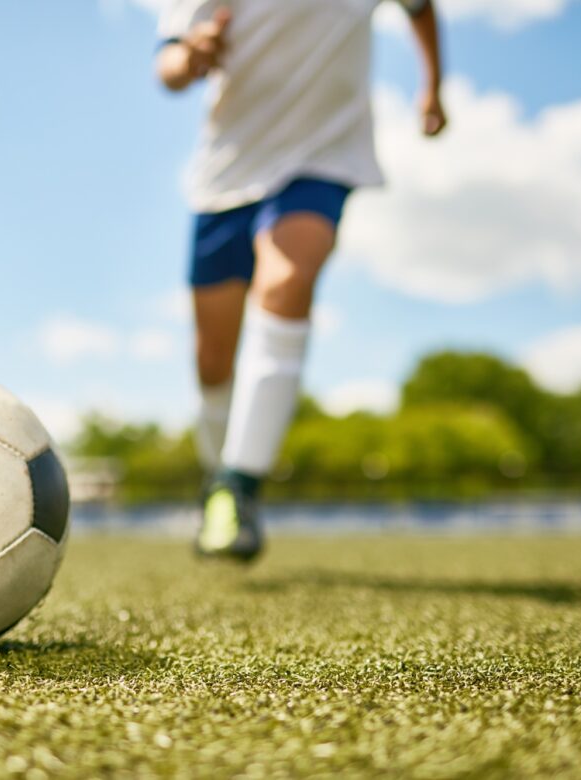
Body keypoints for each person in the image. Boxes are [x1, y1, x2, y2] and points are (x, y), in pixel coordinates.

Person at [156, 0, 446, 561]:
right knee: (212, 359)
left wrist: (431, 85)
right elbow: (166, 65)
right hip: (227, 176)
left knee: (286, 281)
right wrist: (189, 58)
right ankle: (219, 476)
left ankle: (240, 485)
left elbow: (420, 8)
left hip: (322, 160)